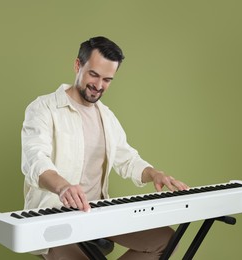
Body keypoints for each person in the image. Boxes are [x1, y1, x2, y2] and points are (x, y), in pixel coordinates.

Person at [21, 36, 189, 260]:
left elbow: (127, 158)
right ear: (77, 65)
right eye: (94, 75)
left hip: (98, 214)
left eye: (107, 80)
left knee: (166, 241)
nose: (99, 86)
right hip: (55, 216)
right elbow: (35, 159)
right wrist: (63, 187)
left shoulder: (106, 116)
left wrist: (154, 174)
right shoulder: (43, 108)